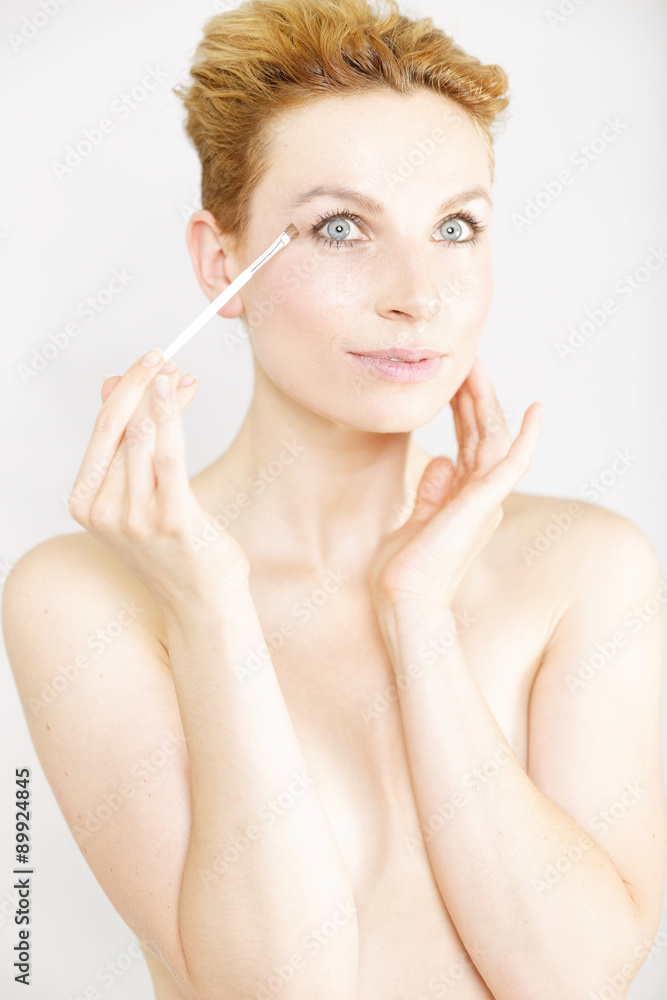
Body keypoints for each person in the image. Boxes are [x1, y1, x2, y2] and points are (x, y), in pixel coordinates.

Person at [3, 0, 665, 997]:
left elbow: (573, 983)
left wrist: (417, 614)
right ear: (221, 262)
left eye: (455, 225)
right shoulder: (88, 595)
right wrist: (210, 605)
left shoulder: (587, 570)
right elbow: (274, 987)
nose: (416, 292)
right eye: (341, 227)